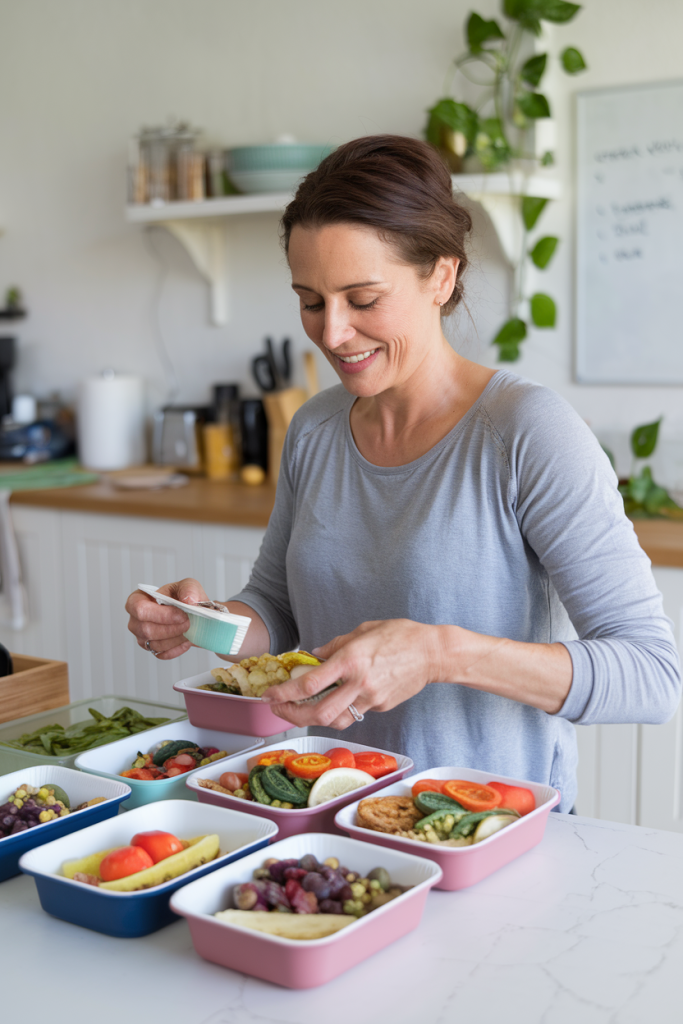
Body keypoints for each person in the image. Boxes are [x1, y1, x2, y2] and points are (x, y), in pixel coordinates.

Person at [126, 135, 681, 812]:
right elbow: (277, 610)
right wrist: (201, 621)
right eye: (310, 301)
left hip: (482, 826)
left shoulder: (526, 432)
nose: (331, 334)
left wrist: (438, 653)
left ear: (440, 277)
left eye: (362, 299)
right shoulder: (316, 427)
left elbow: (652, 677)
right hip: (330, 810)